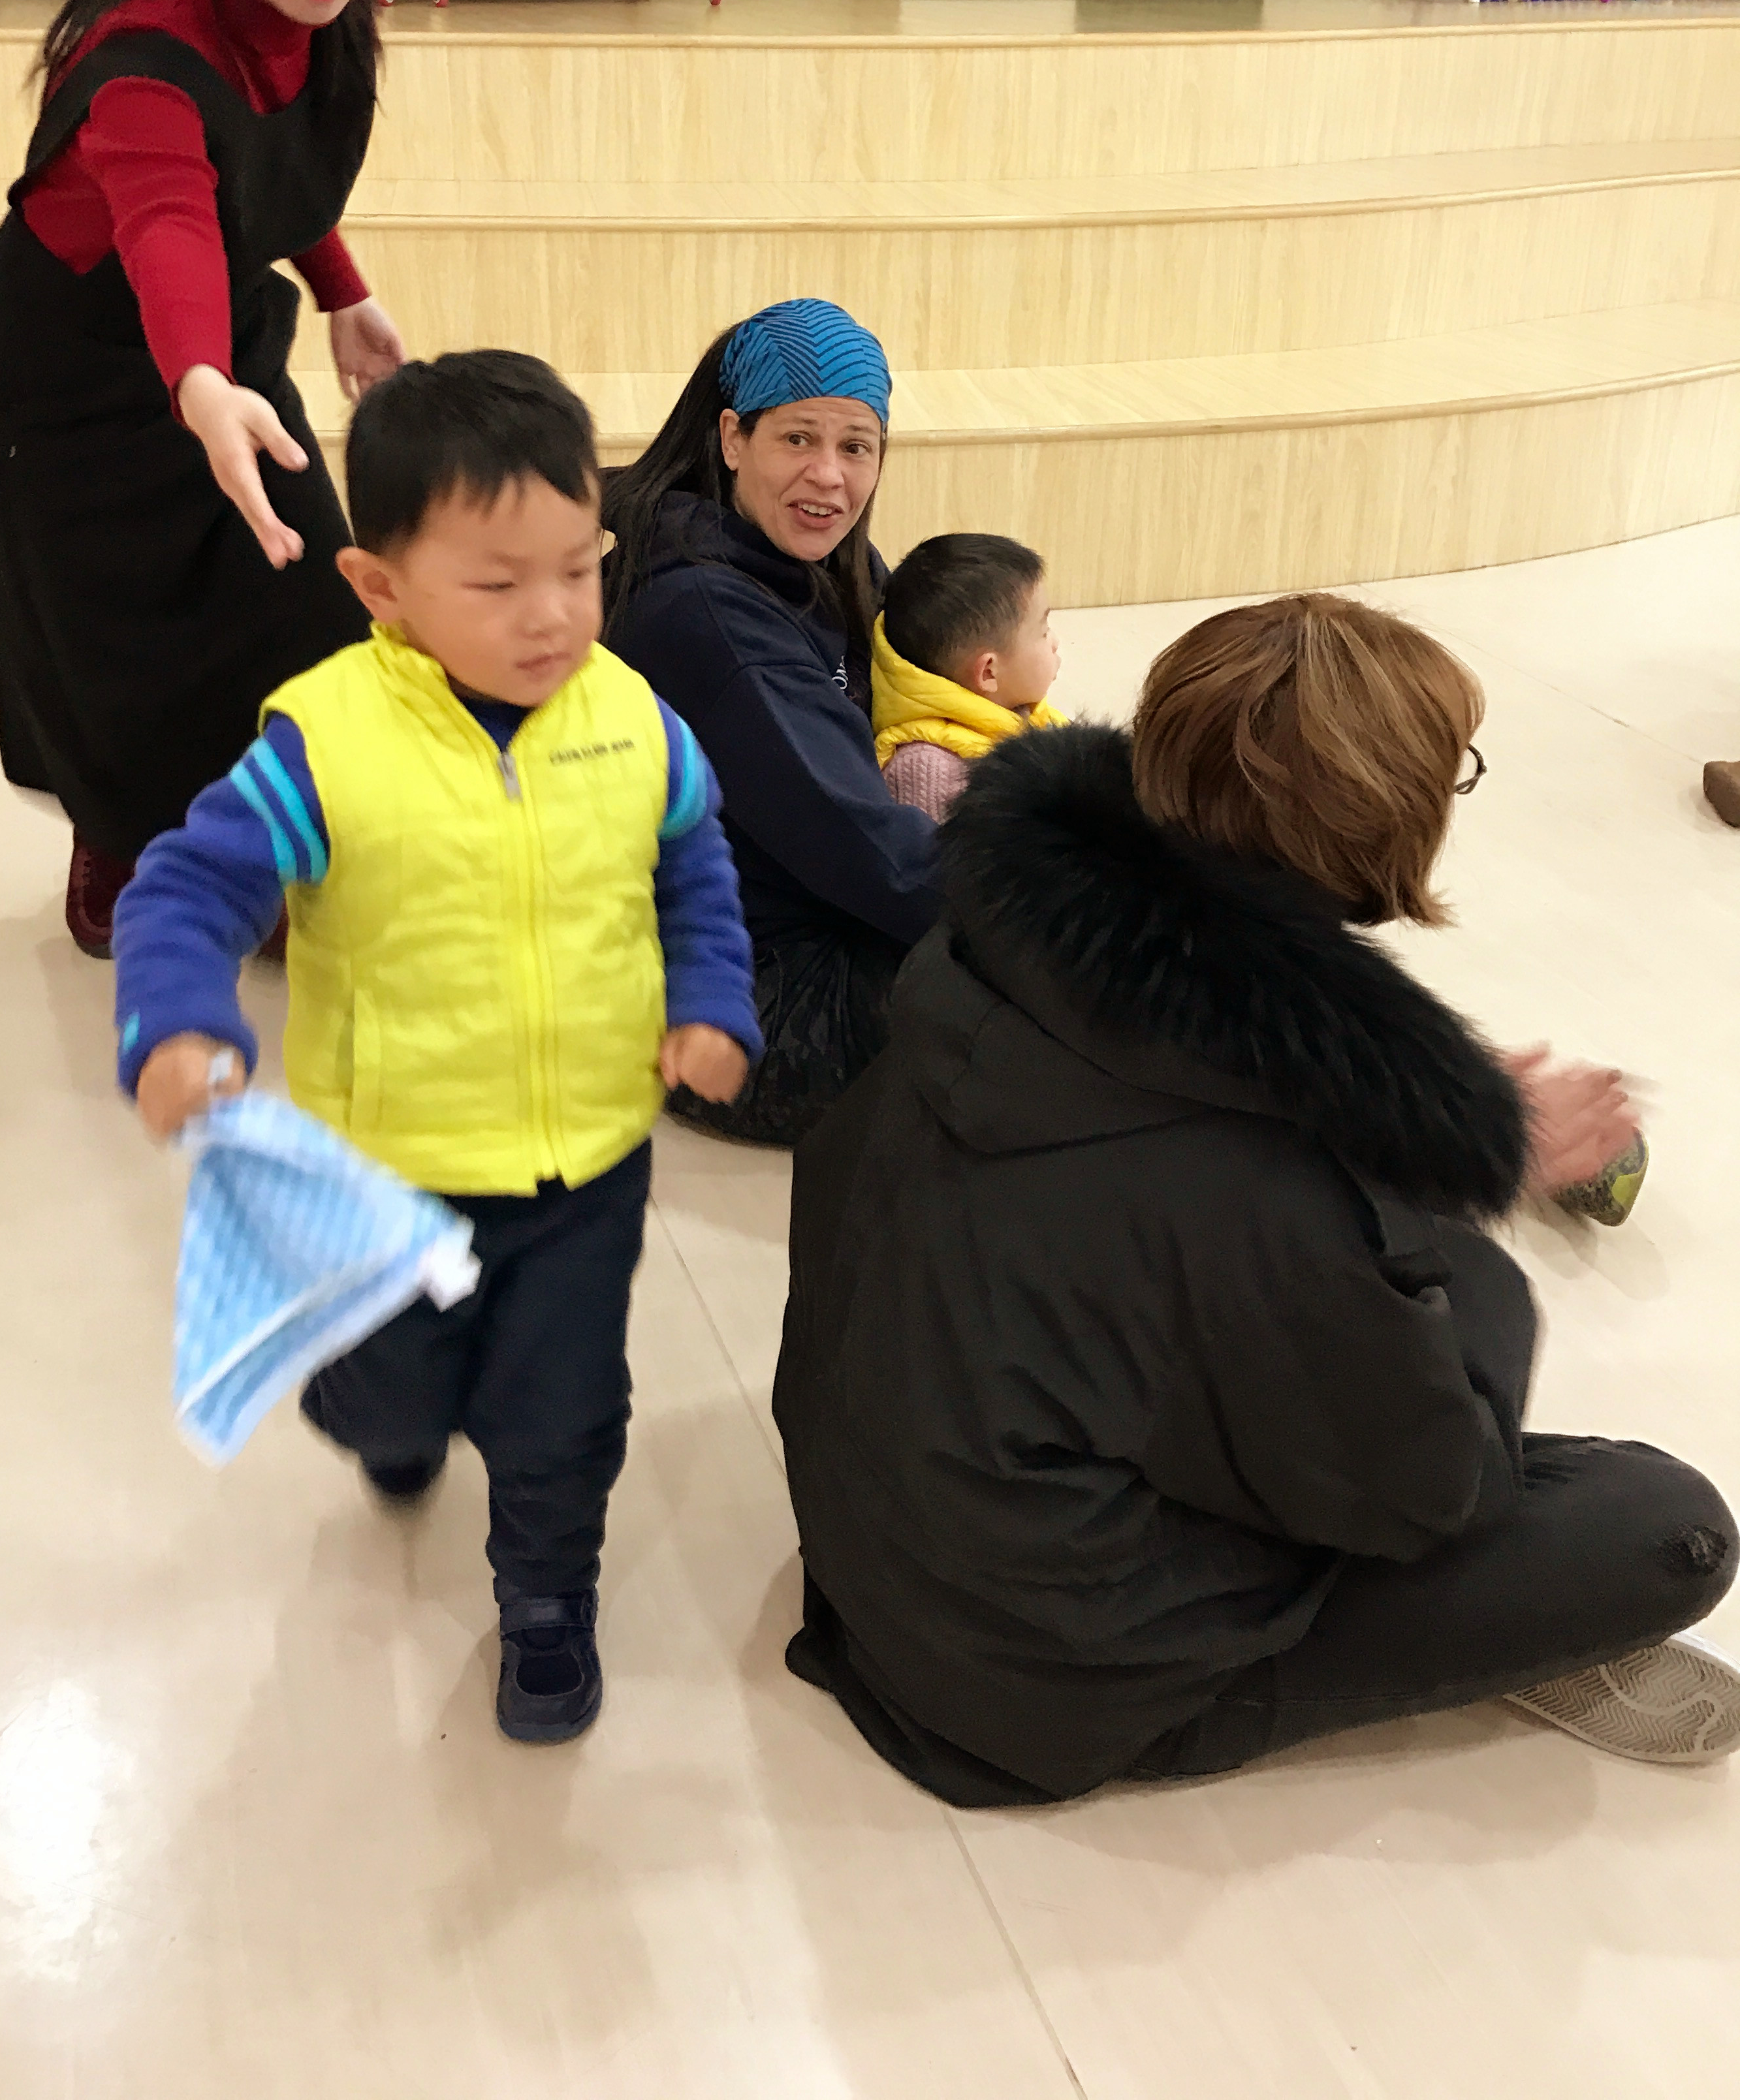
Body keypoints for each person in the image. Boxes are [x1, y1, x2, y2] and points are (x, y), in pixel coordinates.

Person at [774, 592, 1739, 1806]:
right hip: (1034, 1683)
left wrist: (1415, 1118)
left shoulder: (981, 953)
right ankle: (1422, 1656)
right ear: (1387, 819)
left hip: (879, 1541)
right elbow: (1430, 1488)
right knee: (1668, 1528)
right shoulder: (1265, 1198)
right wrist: (1463, 1186)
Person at [114, 352, 761, 1744]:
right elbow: (186, 888)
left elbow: (695, 870)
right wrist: (177, 1021)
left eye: (578, 569)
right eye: (498, 582)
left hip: (583, 1164)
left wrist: (713, 1000)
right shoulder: (325, 743)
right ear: (380, 586)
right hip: (388, 1172)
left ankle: (546, 1602)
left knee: (562, 1412)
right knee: (389, 1397)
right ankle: (385, 1420)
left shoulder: (633, 720)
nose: (553, 614)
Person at [0, 0, 408, 960]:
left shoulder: (321, 14)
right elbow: (165, 217)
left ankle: (288, 837)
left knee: (309, 600)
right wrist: (201, 383)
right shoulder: (145, 60)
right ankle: (120, 840)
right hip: (71, 373)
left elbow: (258, 172)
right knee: (115, 638)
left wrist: (341, 291)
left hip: (218, 345)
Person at [602, 299, 936, 1147]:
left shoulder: (820, 553)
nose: (829, 476)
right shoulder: (709, 615)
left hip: (799, 904)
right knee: (1041, 1007)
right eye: (797, 439)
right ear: (731, 438)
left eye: (856, 447)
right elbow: (882, 865)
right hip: (743, 999)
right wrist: (1069, 911)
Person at [871, 533, 1065, 818]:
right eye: (1043, 631)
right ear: (989, 672)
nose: (1055, 642)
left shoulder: (1026, 714)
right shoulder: (929, 770)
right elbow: (933, 849)